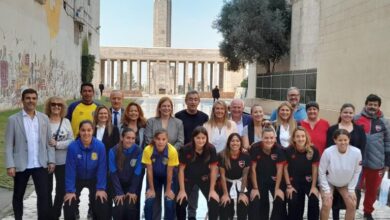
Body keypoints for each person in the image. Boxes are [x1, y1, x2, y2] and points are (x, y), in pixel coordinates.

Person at [5, 88, 55, 220]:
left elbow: (49, 142)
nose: (31, 101)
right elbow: (9, 144)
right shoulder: (13, 120)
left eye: (33, 98)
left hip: (40, 163)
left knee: (43, 196)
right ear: (22, 100)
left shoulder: (44, 118)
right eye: (28, 98)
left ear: (36, 100)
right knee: (18, 195)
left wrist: (51, 160)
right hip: (21, 164)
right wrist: (10, 165)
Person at [326, 103, 366, 220]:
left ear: (354, 114)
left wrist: (357, 166)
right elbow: (329, 148)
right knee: (335, 197)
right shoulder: (332, 129)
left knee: (351, 200)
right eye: (345, 112)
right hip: (336, 169)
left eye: (350, 113)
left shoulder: (359, 130)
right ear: (341, 113)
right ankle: (335, 217)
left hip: (353, 170)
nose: (347, 115)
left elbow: (362, 149)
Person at [63, 120, 109, 220]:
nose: (86, 133)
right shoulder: (72, 147)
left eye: (89, 130)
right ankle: (75, 213)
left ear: (93, 131)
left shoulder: (100, 146)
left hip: (94, 179)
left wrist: (101, 188)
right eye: (83, 130)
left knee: (101, 201)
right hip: (77, 178)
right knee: (69, 203)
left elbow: (102, 168)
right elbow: (70, 170)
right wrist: (70, 191)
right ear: (79, 131)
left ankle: (93, 212)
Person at [354, 94, 390, 220]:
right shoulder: (356, 118)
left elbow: (388, 143)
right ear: (366, 104)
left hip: (377, 162)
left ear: (379, 106)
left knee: (372, 190)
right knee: (354, 187)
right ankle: (352, 208)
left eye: (375, 105)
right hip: (358, 161)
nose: (372, 107)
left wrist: (387, 163)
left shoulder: (385, 122)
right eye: (370, 104)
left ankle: (368, 211)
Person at [174, 90, 209, 219]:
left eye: (195, 99)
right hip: (184, 156)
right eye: (190, 99)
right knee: (183, 186)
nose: (193, 102)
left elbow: (205, 137)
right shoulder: (178, 116)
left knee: (195, 189)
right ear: (186, 101)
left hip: (199, 157)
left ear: (199, 101)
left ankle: (192, 215)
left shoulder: (204, 117)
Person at [176, 126, 220, 220]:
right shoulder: (185, 149)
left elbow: (213, 169)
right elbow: (181, 170)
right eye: (198, 138)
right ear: (193, 138)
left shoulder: (211, 149)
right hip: (188, 178)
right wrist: (182, 190)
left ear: (206, 138)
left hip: (204, 178)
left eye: (203, 138)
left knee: (214, 201)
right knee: (181, 201)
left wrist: (212, 190)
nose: (201, 141)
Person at [319, 129, 362, 220]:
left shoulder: (357, 152)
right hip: (329, 181)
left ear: (349, 140)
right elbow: (321, 171)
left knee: (352, 204)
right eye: (340, 140)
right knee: (327, 203)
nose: (343, 142)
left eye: (345, 140)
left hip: (345, 183)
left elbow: (357, 171)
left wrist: (351, 189)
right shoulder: (328, 152)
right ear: (335, 140)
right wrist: (326, 190)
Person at [44, 96, 74, 220]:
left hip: (63, 161)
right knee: (46, 189)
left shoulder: (66, 122)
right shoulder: (44, 121)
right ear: (49, 106)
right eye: (53, 104)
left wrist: (58, 144)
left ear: (62, 107)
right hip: (46, 161)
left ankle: (55, 213)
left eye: (59, 105)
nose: (56, 106)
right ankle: (47, 212)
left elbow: (71, 141)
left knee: (61, 189)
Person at [249, 126, 287, 220]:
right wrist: (255, 188)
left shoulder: (279, 149)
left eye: (271, 138)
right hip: (260, 179)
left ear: (275, 138)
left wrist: (277, 189)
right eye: (266, 138)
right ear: (262, 138)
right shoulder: (255, 148)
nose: (269, 140)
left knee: (279, 199)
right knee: (262, 202)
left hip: (275, 180)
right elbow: (252, 169)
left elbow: (279, 170)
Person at [142, 129, 179, 220]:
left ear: (167, 140)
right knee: (149, 200)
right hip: (153, 177)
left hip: (168, 177)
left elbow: (170, 171)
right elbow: (149, 170)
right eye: (158, 139)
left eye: (163, 139)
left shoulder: (172, 151)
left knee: (169, 201)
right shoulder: (148, 149)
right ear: (154, 139)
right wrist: (151, 189)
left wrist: (168, 190)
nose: (160, 142)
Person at [284, 127, 320, 220]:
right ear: (294, 138)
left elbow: (315, 169)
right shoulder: (289, 150)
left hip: (309, 182)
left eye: (303, 136)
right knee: (294, 202)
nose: (300, 139)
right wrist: (288, 186)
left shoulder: (313, 150)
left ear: (306, 137)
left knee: (314, 200)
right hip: (294, 183)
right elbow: (285, 169)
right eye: (298, 136)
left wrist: (313, 187)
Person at [109, 128, 143, 220]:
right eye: (128, 138)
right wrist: (119, 192)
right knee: (119, 206)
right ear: (122, 137)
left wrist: (132, 191)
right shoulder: (113, 151)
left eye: (133, 138)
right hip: (117, 186)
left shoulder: (138, 151)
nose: (131, 140)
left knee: (130, 206)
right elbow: (113, 174)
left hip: (131, 186)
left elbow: (137, 173)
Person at [93, 105, 120, 218]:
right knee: (94, 196)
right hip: (93, 167)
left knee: (107, 196)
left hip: (108, 167)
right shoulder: (91, 128)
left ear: (108, 115)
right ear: (96, 115)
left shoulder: (113, 129)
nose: (103, 115)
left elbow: (117, 150)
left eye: (105, 113)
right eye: (100, 113)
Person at [218, 133, 251, 220]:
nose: (235, 143)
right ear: (229, 142)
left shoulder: (246, 156)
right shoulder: (222, 156)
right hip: (227, 183)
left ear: (240, 143)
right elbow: (222, 175)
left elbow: (245, 176)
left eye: (237, 141)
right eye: (233, 141)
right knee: (225, 205)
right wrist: (225, 194)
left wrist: (242, 193)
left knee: (243, 203)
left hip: (240, 184)